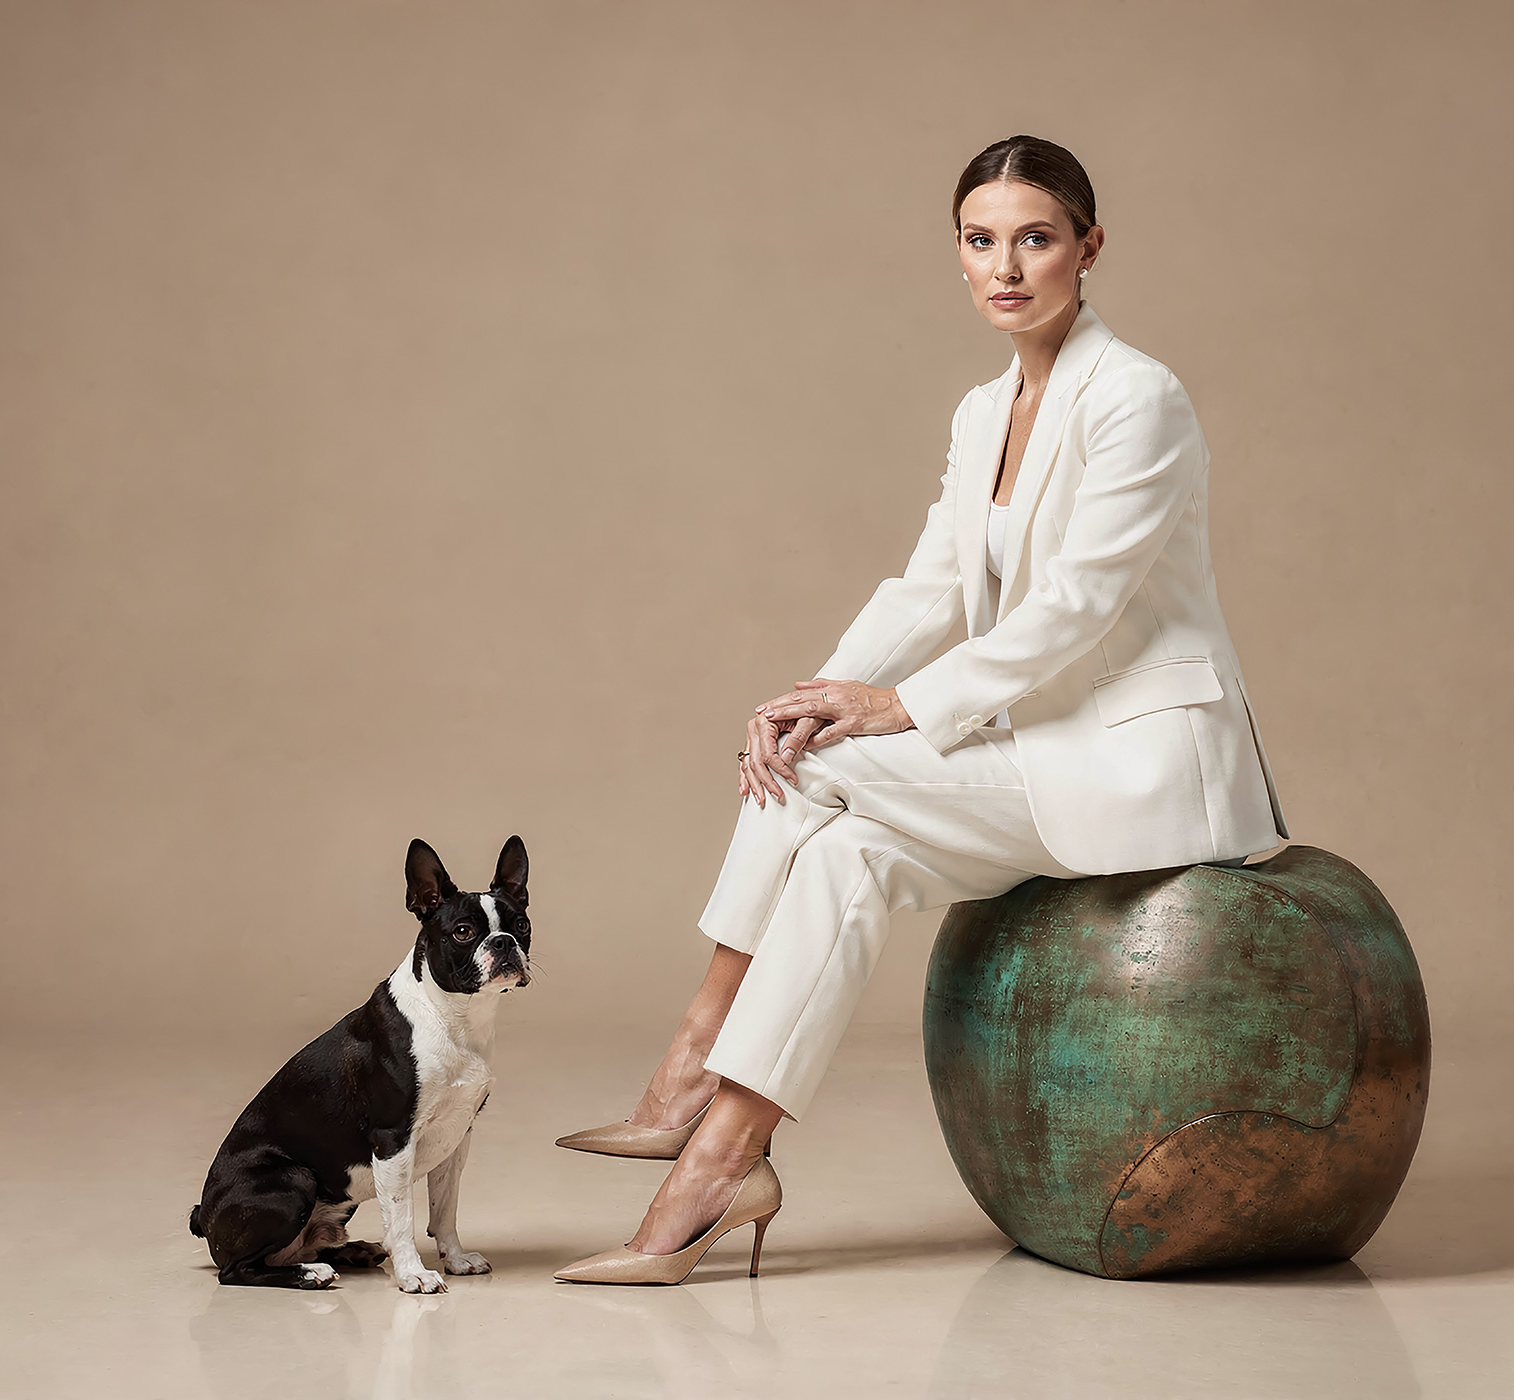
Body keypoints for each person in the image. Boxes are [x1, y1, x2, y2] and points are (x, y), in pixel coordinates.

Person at [551, 134, 1289, 1285]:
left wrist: (894, 707)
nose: (1008, 266)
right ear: (959, 254)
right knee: (842, 851)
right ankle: (720, 1165)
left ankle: (687, 1066)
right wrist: (811, 693)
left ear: (1089, 249)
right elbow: (932, 584)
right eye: (982, 241)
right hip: (1033, 750)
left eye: (1036, 239)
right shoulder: (980, 409)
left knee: (819, 771)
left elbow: (1077, 605)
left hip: (1137, 766)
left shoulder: (1137, 396)